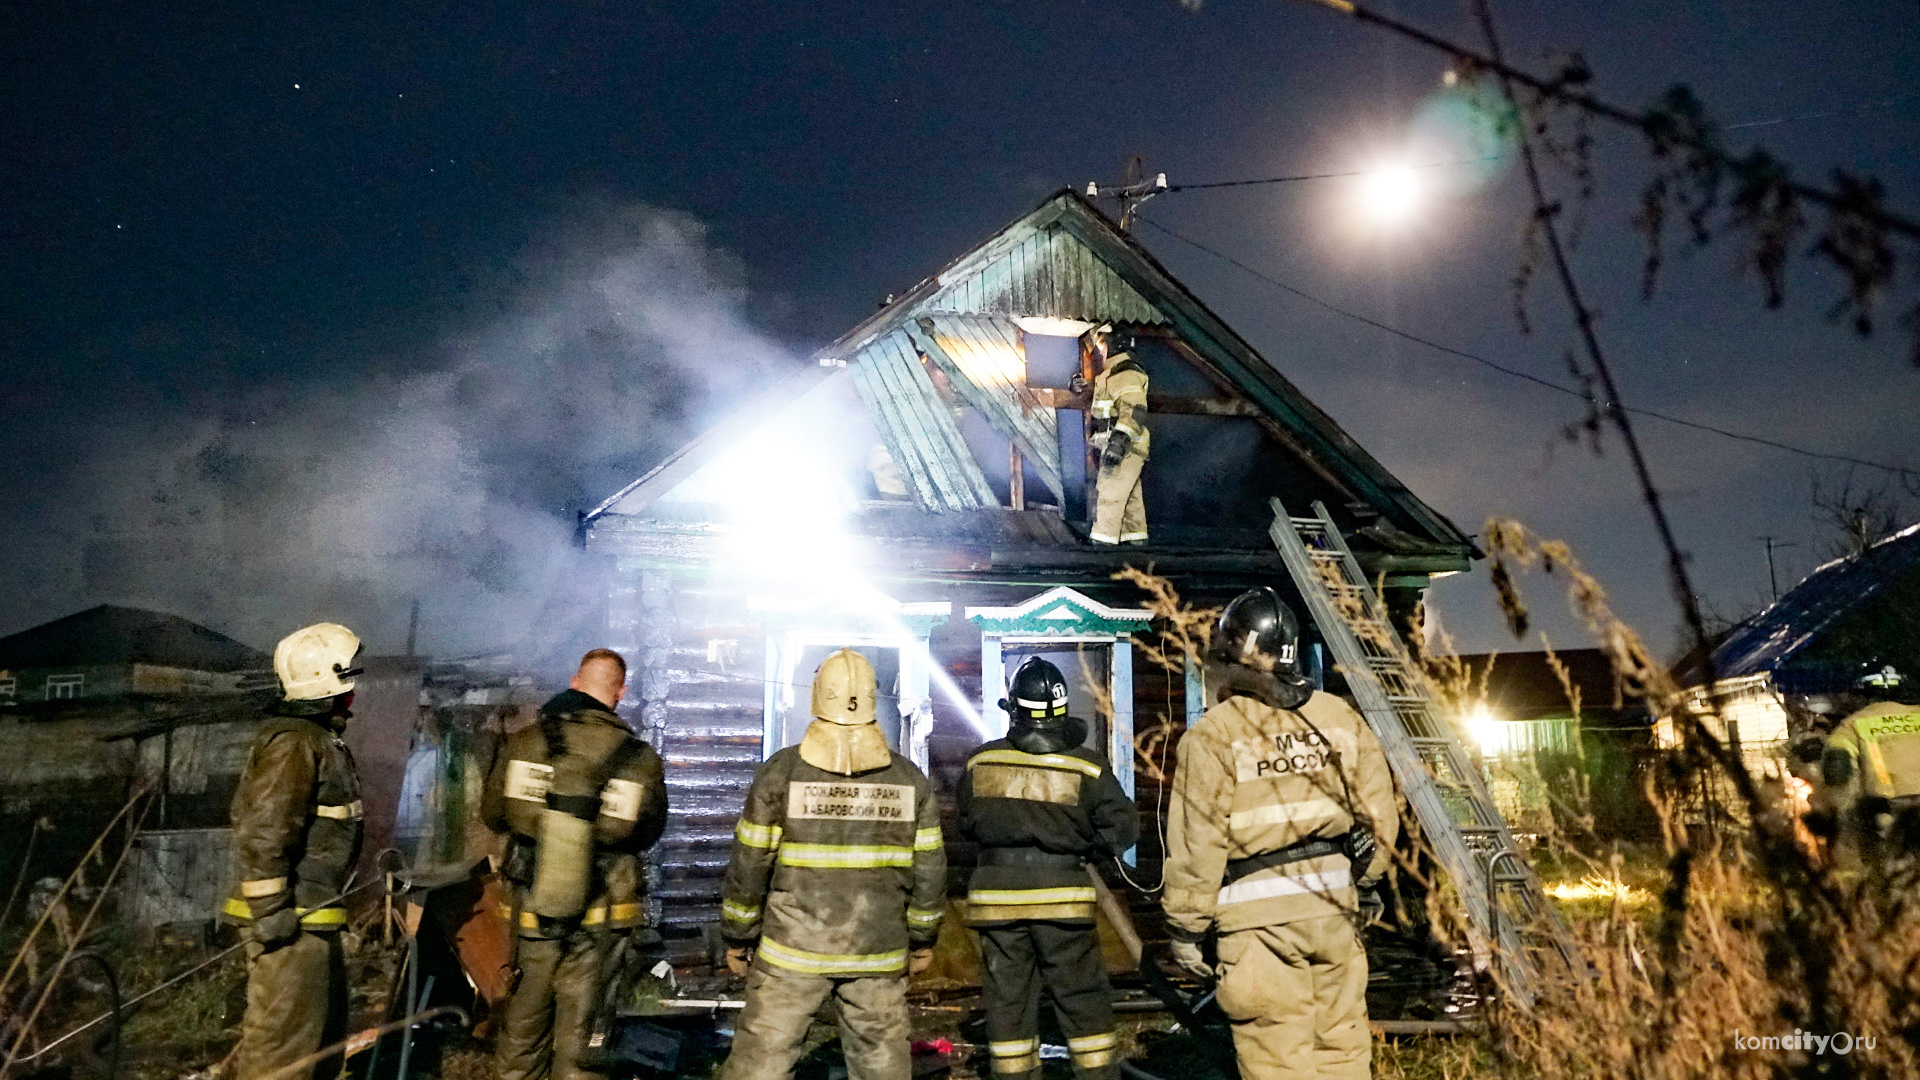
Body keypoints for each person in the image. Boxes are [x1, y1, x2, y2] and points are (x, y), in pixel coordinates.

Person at [1161, 588, 1398, 1080]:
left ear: (1230, 657)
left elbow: (1197, 841)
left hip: (1256, 925)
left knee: (1276, 1061)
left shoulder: (1215, 735)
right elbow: (1380, 817)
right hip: (1335, 910)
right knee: (1342, 1053)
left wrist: (1186, 928)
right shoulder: (1338, 718)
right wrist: (1369, 882)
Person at [716, 648, 947, 1080]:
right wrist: (922, 940)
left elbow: (749, 863)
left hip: (791, 953)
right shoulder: (909, 780)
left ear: (818, 696)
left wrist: (737, 935)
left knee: (760, 1064)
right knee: (882, 1067)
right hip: (877, 952)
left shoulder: (781, 773)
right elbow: (930, 873)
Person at [482, 649, 668, 1080]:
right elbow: (649, 832)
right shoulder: (639, 758)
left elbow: (493, 815)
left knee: (522, 1028)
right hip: (605, 915)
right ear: (619, 693)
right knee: (583, 1039)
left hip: (534, 910)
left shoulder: (525, 742)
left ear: (574, 681)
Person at [958, 657, 1138, 1080]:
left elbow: (967, 823)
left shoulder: (980, 763)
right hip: (1064, 899)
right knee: (1081, 997)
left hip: (996, 900)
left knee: (1007, 1002)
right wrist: (1086, 849)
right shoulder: (1087, 765)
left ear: (1014, 710)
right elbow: (1123, 825)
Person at [221, 622, 367, 1080]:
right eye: (349, 678)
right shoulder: (295, 743)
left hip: (309, 918)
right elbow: (265, 830)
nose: (354, 690)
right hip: (289, 923)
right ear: (330, 679)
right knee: (281, 1056)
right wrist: (270, 909)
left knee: (321, 1049)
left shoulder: (316, 741)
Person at [1087, 331, 1149, 546]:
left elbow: (1134, 410)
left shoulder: (1125, 372)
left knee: (1109, 493)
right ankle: (1136, 544)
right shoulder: (1113, 373)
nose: (1100, 352)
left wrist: (1118, 444)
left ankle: (1103, 545)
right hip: (1125, 445)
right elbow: (1107, 404)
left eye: (1102, 347)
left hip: (1125, 446)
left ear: (1112, 346)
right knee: (1131, 500)